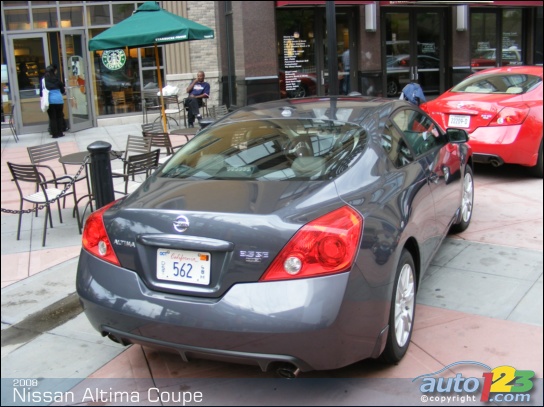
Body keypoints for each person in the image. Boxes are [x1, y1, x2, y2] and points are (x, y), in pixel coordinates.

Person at [44, 64, 66, 138]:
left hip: (50, 101)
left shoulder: (44, 81)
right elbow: (63, 90)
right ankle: (60, 132)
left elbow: (41, 92)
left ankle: (55, 134)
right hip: (59, 101)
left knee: (52, 118)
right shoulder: (57, 80)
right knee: (59, 117)